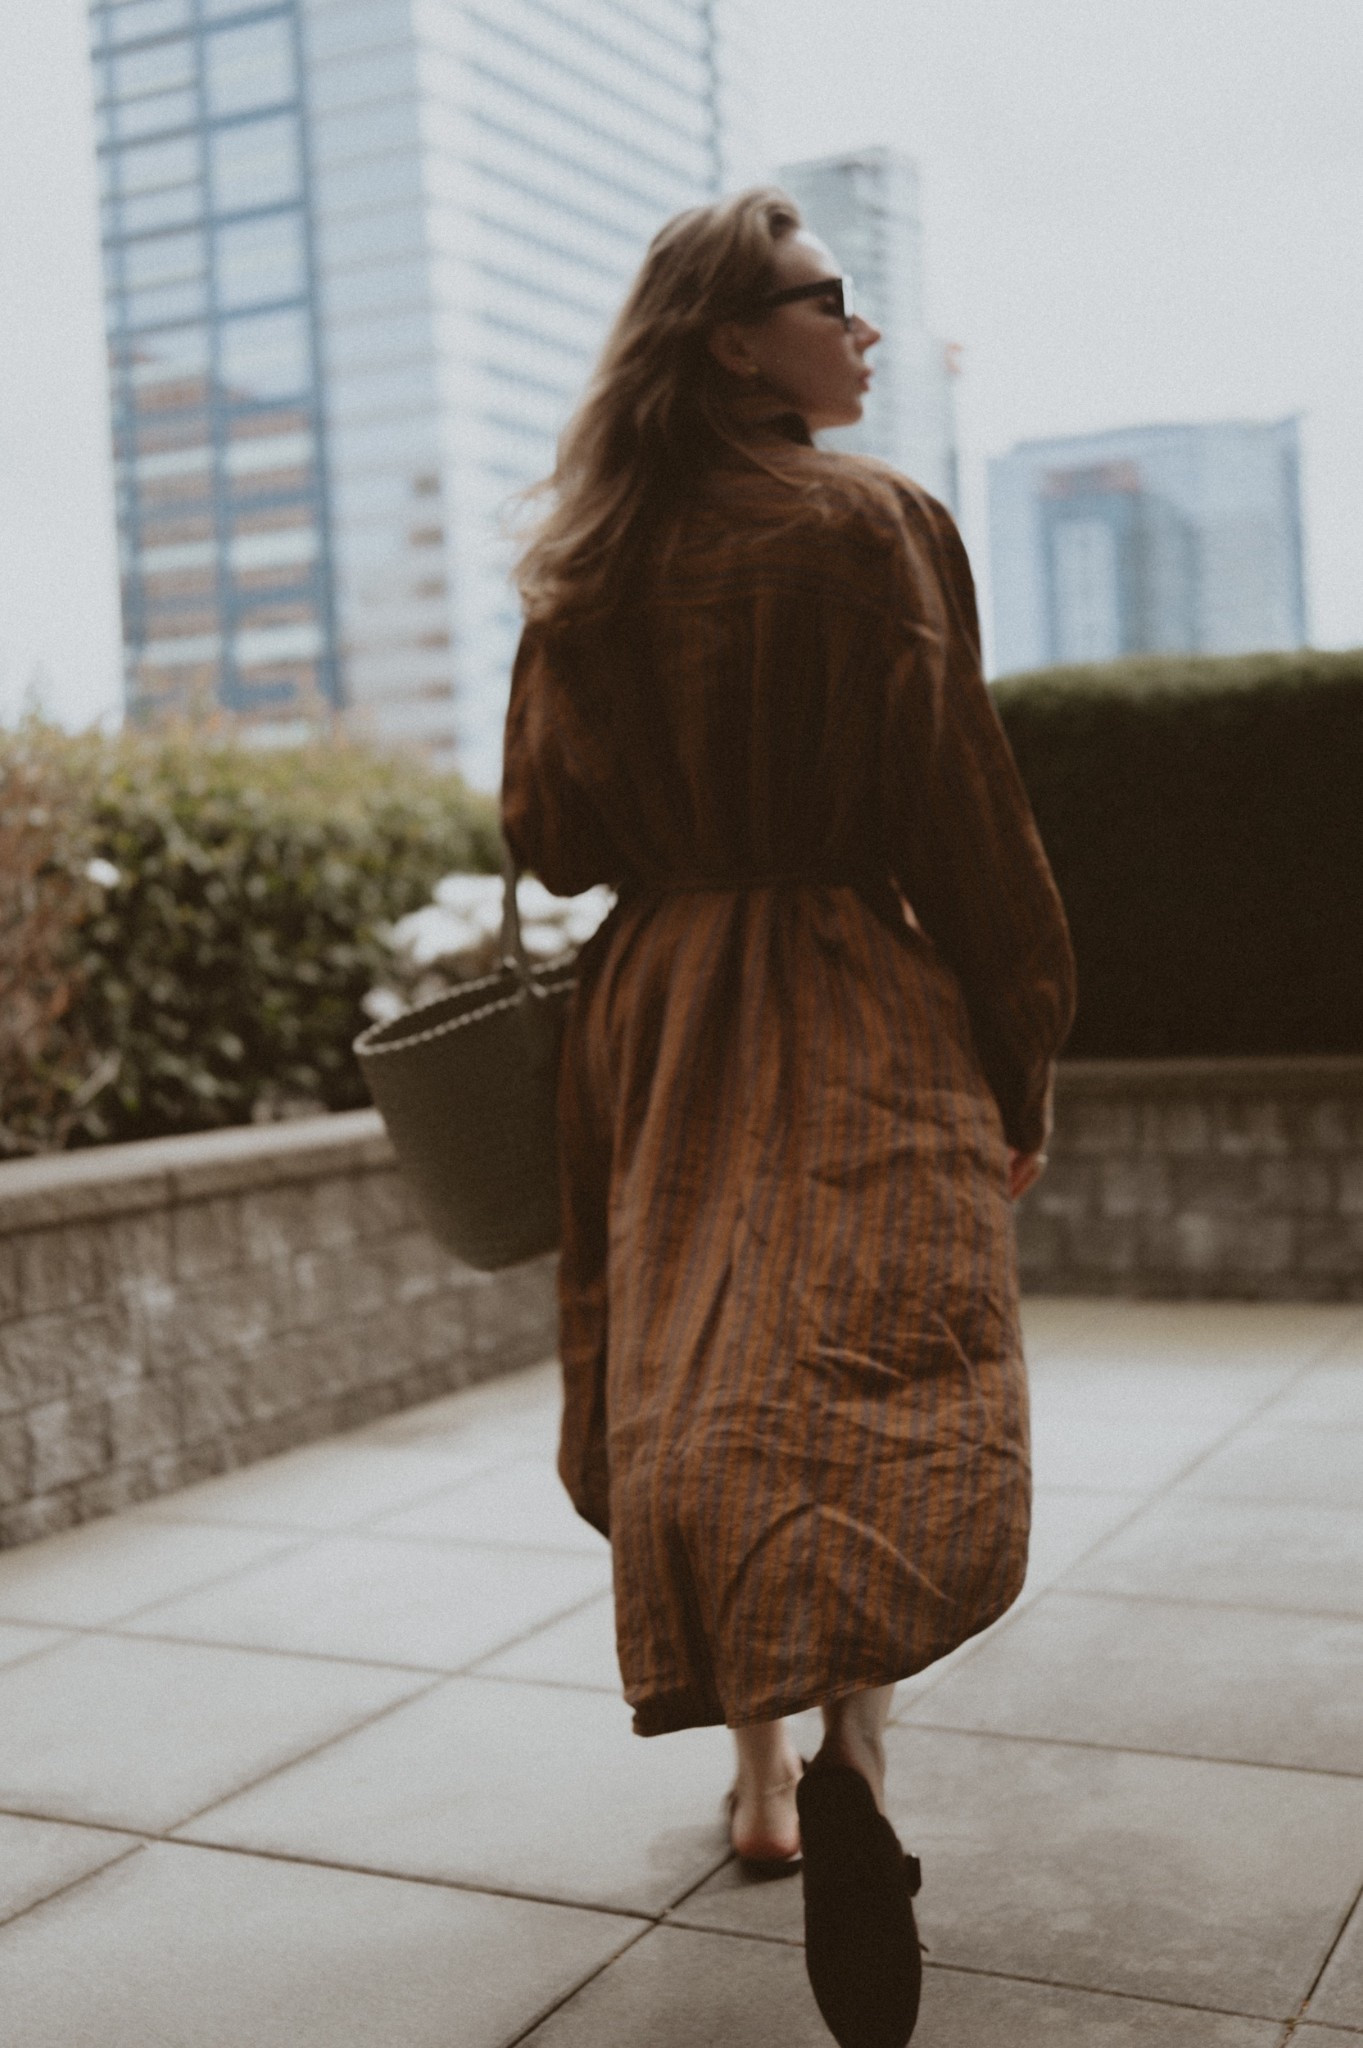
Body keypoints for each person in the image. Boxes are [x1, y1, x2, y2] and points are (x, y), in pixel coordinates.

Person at [501, 189, 1076, 2048]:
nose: (865, 328)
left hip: (661, 1016)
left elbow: (548, 837)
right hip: (848, 990)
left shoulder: (588, 556)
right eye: (830, 300)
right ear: (734, 339)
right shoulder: (874, 525)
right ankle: (852, 1767)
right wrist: (1022, 1045)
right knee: (861, 1378)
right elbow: (963, 816)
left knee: (706, 1387)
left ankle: (756, 1784)